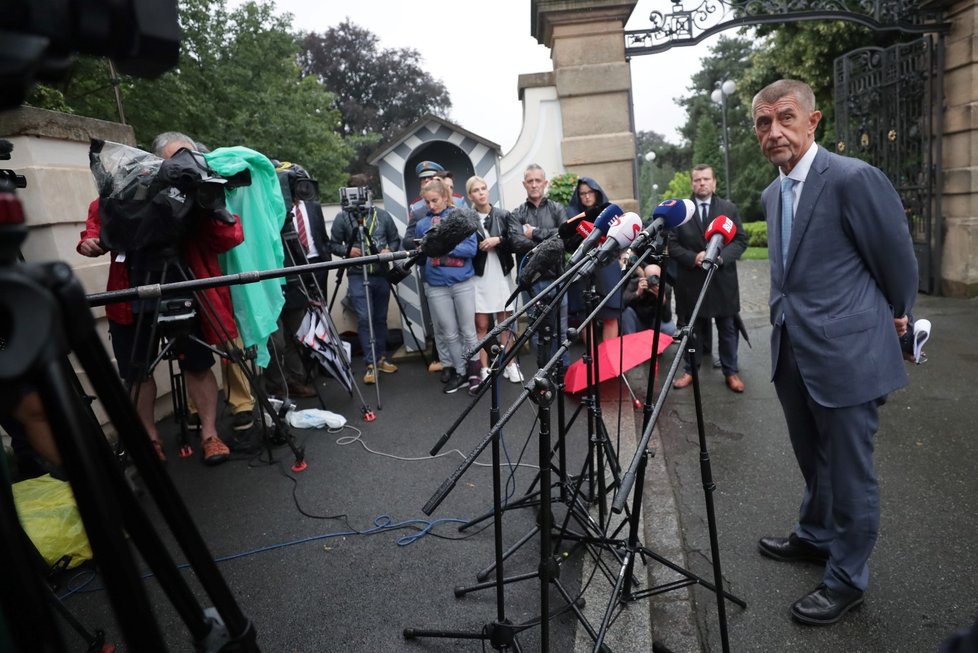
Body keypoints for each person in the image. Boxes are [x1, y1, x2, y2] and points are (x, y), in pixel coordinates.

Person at [752, 79, 917, 625]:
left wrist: (898, 314)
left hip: (847, 354)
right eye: (763, 122)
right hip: (792, 352)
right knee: (812, 459)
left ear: (813, 120)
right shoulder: (772, 194)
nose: (774, 131)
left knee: (850, 473)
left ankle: (847, 579)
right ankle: (816, 534)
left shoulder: (852, 178)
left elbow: (895, 259)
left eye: (785, 118)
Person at [77, 133, 244, 465]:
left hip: (184, 285)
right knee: (137, 372)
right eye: (176, 160)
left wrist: (211, 204)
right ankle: (149, 440)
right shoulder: (124, 190)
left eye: (191, 158)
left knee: (198, 364)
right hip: (131, 292)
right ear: (154, 163)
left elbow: (229, 237)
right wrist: (90, 241)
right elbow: (97, 225)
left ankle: (210, 435)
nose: (184, 166)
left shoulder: (198, 193)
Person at [669, 164, 748, 393]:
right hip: (691, 281)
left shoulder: (728, 208)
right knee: (692, 329)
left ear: (714, 183)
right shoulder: (682, 211)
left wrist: (719, 257)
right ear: (692, 184)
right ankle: (689, 371)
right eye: (697, 180)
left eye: (706, 179)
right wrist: (695, 257)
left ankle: (731, 372)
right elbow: (672, 244)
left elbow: (740, 241)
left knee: (727, 328)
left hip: (722, 280)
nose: (701, 183)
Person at [330, 173, 402, 384]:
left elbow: (395, 240)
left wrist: (389, 249)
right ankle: (370, 363)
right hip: (356, 274)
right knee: (364, 318)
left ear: (369, 192)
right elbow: (332, 244)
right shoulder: (342, 217)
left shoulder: (383, 216)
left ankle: (380, 358)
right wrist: (347, 250)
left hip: (381, 273)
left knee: (379, 318)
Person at [414, 179, 479, 394]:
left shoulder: (460, 218)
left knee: (468, 331)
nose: (431, 206)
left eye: (435, 200)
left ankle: (475, 372)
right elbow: (423, 256)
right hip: (436, 285)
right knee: (449, 333)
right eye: (427, 202)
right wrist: (422, 251)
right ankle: (460, 372)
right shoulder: (423, 224)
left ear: (445, 197)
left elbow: (471, 249)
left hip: (462, 282)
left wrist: (442, 245)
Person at [466, 175, 523, 392]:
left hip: (500, 273)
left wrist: (498, 240)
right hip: (478, 276)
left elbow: (515, 238)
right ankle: (484, 368)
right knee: (481, 325)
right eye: (476, 190)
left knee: (505, 322)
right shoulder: (468, 218)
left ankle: (511, 364)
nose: (481, 193)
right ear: (470, 195)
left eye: (483, 188)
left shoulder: (502, 214)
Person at [511, 164, 567, 360]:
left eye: (538, 180)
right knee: (536, 330)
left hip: (557, 277)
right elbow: (516, 242)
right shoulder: (517, 213)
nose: (534, 185)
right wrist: (549, 241)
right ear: (524, 184)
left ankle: (563, 373)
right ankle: (542, 374)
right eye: (530, 181)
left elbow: (564, 237)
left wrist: (533, 233)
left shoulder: (557, 208)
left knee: (560, 329)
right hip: (531, 281)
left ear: (545, 183)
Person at [565, 176, 622, 343]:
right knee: (585, 317)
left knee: (610, 315)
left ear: (597, 192)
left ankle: (608, 364)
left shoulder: (610, 211)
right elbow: (568, 244)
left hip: (608, 267)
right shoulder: (573, 215)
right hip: (583, 269)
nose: (587, 196)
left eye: (590, 192)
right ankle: (592, 363)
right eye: (582, 193)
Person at [621, 263, 676, 337]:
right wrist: (637, 293)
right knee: (626, 312)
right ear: (645, 277)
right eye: (651, 277)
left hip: (654, 322)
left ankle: (659, 344)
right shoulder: (635, 283)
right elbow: (622, 304)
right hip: (637, 320)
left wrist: (662, 301)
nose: (654, 281)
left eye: (657, 278)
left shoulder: (666, 288)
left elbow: (667, 319)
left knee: (670, 328)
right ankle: (631, 341)